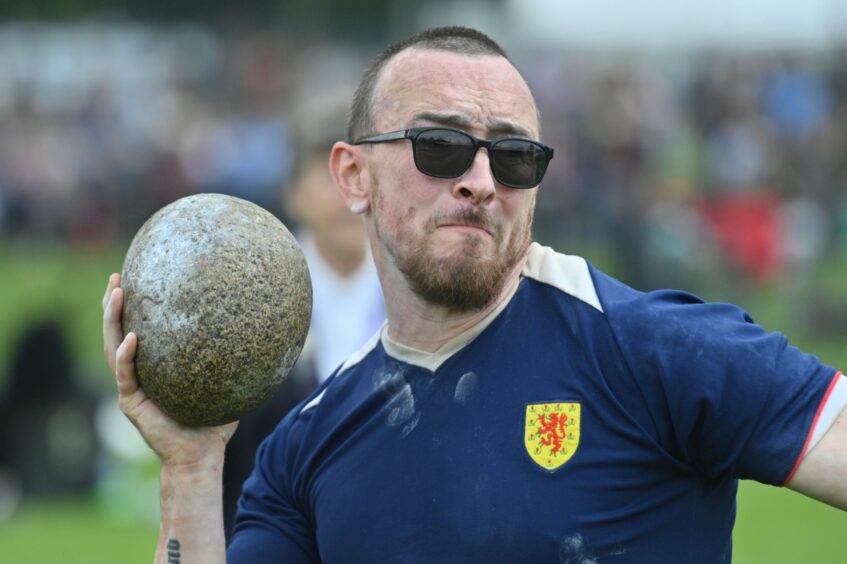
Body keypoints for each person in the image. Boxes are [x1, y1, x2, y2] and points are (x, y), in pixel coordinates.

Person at [102, 26, 847, 563]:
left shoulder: (657, 349)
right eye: (440, 146)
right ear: (351, 176)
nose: (481, 181)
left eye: (515, 157)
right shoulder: (304, 446)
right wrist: (192, 467)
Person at [221, 93, 385, 541]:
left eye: (364, 174)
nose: (349, 195)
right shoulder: (245, 297)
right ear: (292, 194)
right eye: (331, 176)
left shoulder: (423, 297)